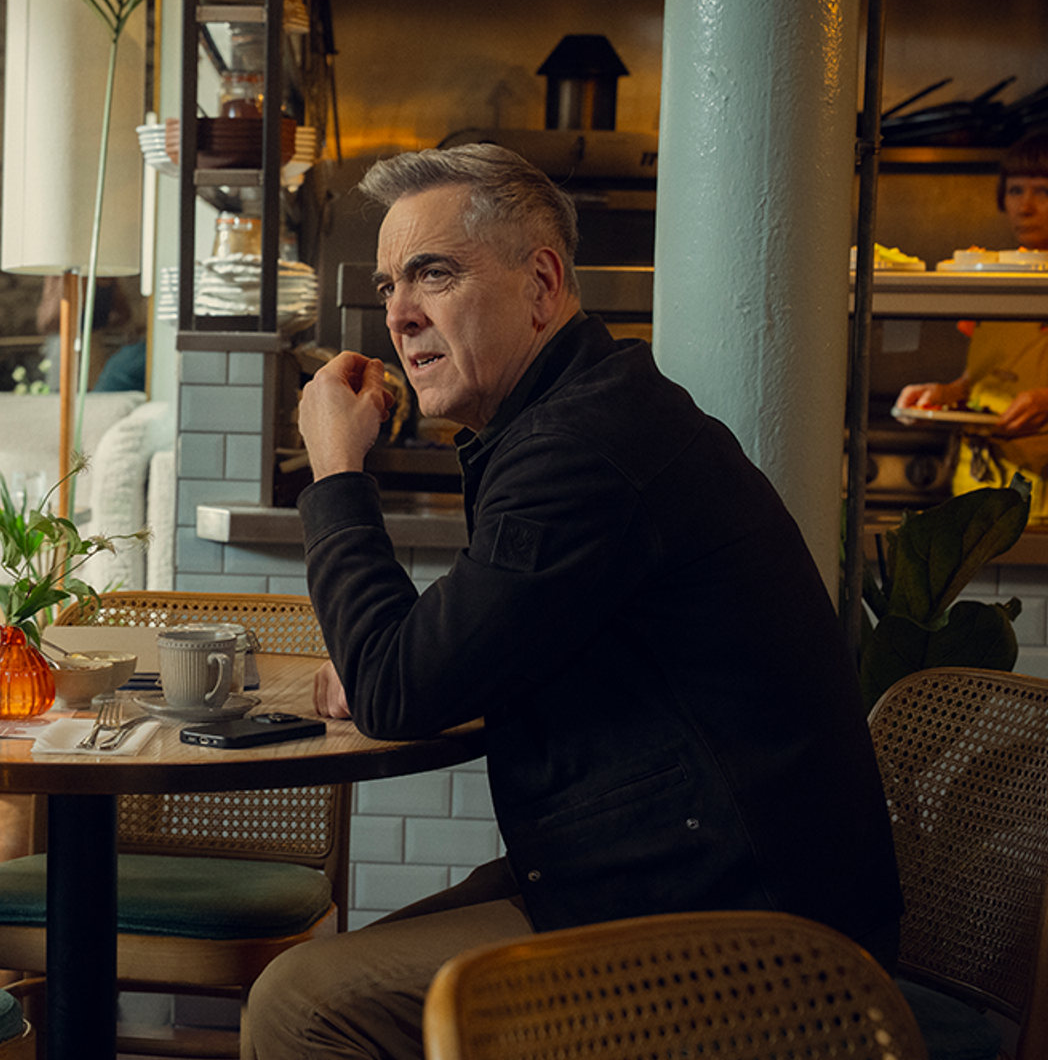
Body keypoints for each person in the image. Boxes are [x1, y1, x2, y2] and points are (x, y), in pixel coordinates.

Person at [241, 144, 903, 1059]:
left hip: (752, 940)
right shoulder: (584, 415)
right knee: (341, 968)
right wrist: (412, 664)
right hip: (675, 874)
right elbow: (464, 654)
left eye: (433, 274)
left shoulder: (581, 448)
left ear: (542, 284)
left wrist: (335, 469)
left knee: (304, 1004)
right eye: (392, 283)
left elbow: (398, 691)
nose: (398, 313)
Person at [895, 131, 1048, 519]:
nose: (1024, 207)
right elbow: (978, 379)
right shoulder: (992, 279)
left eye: (1042, 192)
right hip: (977, 489)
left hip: (1041, 492)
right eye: (1015, 190)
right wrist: (943, 394)